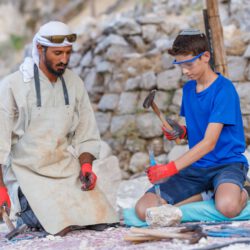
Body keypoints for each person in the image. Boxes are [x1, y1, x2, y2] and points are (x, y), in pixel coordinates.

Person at [0, 21, 118, 235]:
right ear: (40, 49)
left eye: (67, 52)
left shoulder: (74, 83)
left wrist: (86, 167)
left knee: (104, 221)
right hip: (28, 175)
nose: (64, 59)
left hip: (66, 172)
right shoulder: (12, 86)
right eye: (57, 53)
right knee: (58, 227)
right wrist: (0, 189)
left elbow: (86, 133)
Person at [135, 29, 249, 221]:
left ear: (205, 56)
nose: (185, 71)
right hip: (198, 167)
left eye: (188, 64)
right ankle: (207, 193)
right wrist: (182, 132)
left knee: (228, 207)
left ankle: (244, 189)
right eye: (180, 65)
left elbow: (209, 142)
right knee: (144, 208)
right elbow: (198, 131)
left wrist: (170, 168)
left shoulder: (224, 90)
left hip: (227, 163)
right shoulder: (189, 89)